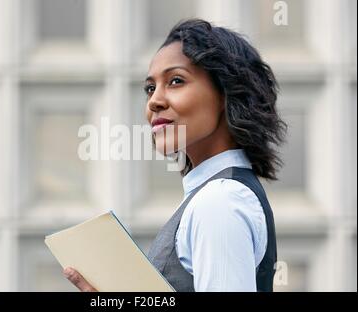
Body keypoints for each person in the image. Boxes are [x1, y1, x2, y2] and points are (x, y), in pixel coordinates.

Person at [63, 18, 287, 292]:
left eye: (176, 81)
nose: (154, 101)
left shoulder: (220, 200)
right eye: (150, 88)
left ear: (226, 94)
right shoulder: (214, 195)